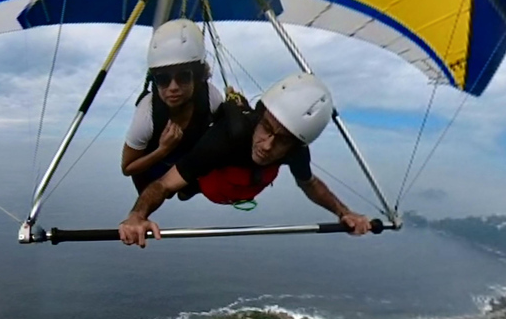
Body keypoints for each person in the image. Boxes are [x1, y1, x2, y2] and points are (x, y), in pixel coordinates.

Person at [118, 73, 373, 247]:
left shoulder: (295, 150)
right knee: (184, 184)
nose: (267, 145)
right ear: (258, 118)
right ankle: (190, 189)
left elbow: (309, 183)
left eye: (282, 140)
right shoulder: (225, 139)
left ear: (296, 144)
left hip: (241, 187)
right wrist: (137, 215)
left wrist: (345, 213)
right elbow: (163, 184)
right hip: (208, 179)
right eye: (267, 129)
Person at [122, 19, 224, 194]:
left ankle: (189, 188)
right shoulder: (147, 114)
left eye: (183, 77)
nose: (173, 87)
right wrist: (163, 149)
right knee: (157, 191)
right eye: (163, 79)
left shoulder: (211, 97)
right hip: (155, 167)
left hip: (187, 161)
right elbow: (128, 168)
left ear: (197, 77)